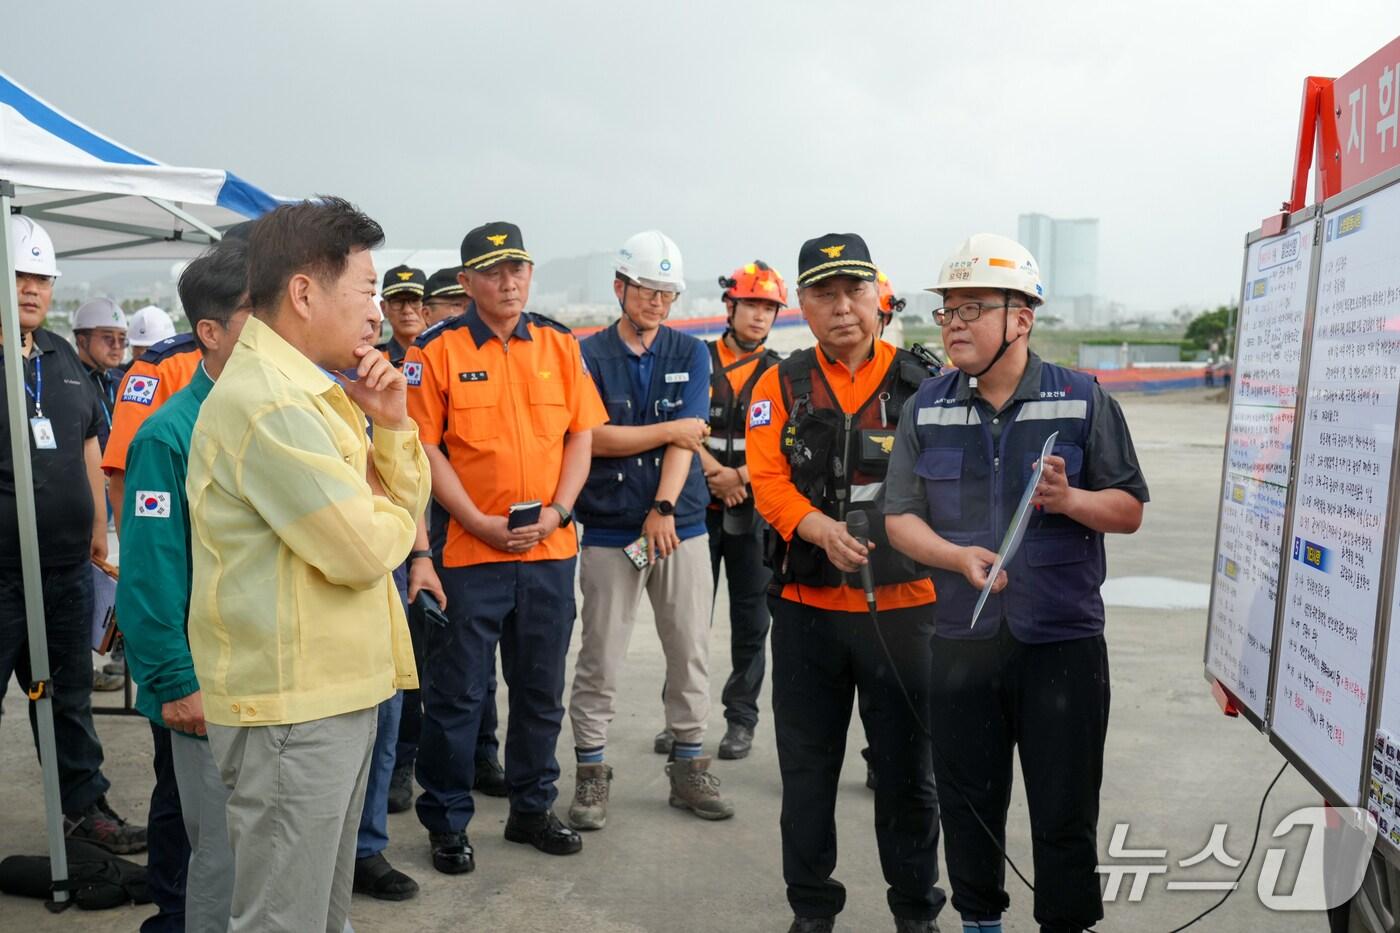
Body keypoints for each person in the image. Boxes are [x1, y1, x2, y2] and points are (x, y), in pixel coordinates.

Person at [884, 233, 1148, 933]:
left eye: (973, 307)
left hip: (1060, 642)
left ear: (1021, 318)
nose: (955, 324)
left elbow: (1127, 508)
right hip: (963, 641)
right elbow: (898, 518)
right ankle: (980, 923)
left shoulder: (1083, 400)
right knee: (969, 802)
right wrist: (955, 555)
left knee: (1065, 809)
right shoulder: (928, 407)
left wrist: (1071, 502)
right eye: (948, 311)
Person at [186, 198, 430, 932]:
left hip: (334, 692)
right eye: (365, 290)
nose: (377, 315)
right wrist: (383, 509)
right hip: (294, 707)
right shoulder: (270, 405)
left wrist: (390, 431)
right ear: (303, 292)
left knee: (323, 915)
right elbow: (361, 551)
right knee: (283, 919)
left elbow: (385, 514)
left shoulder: (315, 393)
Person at [746, 233, 944, 933]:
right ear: (801, 303)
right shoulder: (779, 383)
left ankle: (916, 910)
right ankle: (812, 908)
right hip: (806, 611)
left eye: (854, 290)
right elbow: (766, 480)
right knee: (806, 772)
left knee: (909, 776)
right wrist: (817, 528)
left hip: (906, 611)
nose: (842, 307)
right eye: (824, 293)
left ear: (877, 295)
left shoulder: (926, 383)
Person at [406, 221, 604, 873]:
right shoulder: (434, 350)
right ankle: (447, 819)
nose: (508, 280)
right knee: (459, 694)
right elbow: (423, 447)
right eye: (492, 270)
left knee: (541, 689)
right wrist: (474, 519)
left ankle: (530, 809)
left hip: (549, 552)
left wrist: (560, 510)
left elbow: (582, 434)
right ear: (466, 283)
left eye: (517, 267)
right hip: (470, 551)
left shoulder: (557, 342)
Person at [567, 230, 733, 829]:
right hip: (611, 528)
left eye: (667, 292)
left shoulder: (691, 354)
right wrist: (667, 432)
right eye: (646, 289)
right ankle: (590, 773)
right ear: (620, 288)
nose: (657, 302)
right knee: (600, 657)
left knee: (689, 650)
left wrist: (662, 510)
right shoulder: (585, 355)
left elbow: (691, 438)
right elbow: (593, 437)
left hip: (678, 526)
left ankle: (689, 768)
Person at [115, 238, 252, 932]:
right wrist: (174, 680)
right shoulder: (169, 436)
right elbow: (148, 574)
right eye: (256, 317)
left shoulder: (274, 416)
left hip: (264, 680)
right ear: (211, 331)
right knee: (220, 861)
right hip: (206, 686)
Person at [0, 215, 147, 855]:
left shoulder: (60, 355)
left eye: (41, 277)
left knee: (68, 702)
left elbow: (90, 443)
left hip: (64, 571)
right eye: (18, 276)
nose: (31, 289)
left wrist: (96, 530)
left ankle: (84, 812)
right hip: (3, 573)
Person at [389, 264, 505, 816]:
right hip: (417, 532)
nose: (420, 312)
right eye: (411, 303)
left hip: (459, 529)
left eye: (427, 303)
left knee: (475, 666)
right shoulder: (383, 363)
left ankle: (484, 754)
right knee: (420, 660)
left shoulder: (468, 356)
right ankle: (406, 761)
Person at [688, 260, 784, 761]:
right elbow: (680, 422)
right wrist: (713, 472)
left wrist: (740, 478)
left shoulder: (780, 372)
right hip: (697, 510)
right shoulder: (696, 359)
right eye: (752, 304)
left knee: (752, 622)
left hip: (754, 512)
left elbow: (785, 443)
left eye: (769, 308)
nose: (760, 316)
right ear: (731, 305)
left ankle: (740, 720)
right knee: (687, 619)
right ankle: (682, 719)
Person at [71, 296, 128, 450]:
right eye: (108, 338)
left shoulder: (122, 381)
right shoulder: (69, 383)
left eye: (122, 339)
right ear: (82, 341)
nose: (117, 346)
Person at [376, 264, 426, 367]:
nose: (407, 310)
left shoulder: (445, 355)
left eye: (415, 301)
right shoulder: (374, 360)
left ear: (427, 306)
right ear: (383, 308)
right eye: (397, 302)